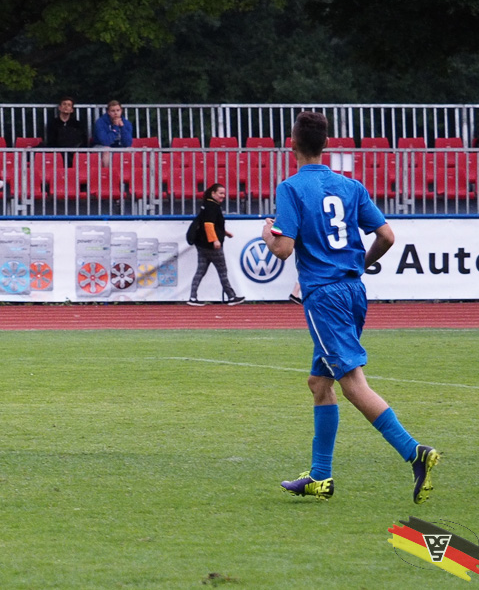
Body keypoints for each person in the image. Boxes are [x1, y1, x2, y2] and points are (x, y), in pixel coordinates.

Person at [262, 110, 438, 503]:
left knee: (352, 383)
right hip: (354, 291)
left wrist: (266, 235)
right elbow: (387, 236)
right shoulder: (350, 185)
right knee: (319, 383)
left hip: (324, 296)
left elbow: (283, 248)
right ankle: (320, 477)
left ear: (292, 145)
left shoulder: (291, 188)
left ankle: (415, 452)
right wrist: (360, 264)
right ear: (326, 145)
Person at [187, 183, 245, 306]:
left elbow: (211, 224)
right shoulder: (213, 206)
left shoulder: (206, 205)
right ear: (213, 193)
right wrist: (215, 240)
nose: (223, 196)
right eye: (220, 193)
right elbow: (208, 225)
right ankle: (231, 296)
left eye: (224, 193)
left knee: (200, 271)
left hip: (201, 245)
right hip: (211, 246)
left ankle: (192, 297)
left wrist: (225, 233)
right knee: (222, 271)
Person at [44, 96, 87, 166]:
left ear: (72, 110)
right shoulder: (52, 123)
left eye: (69, 105)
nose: (66, 107)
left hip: (74, 152)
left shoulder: (77, 124)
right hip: (57, 152)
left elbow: (82, 140)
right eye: (64, 104)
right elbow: (51, 140)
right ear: (60, 108)